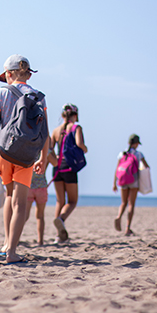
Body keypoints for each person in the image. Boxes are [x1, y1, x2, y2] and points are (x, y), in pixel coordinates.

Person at [0, 54, 49, 264]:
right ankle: (12, 250)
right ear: (28, 75)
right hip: (27, 154)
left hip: (4, 151)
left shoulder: (0, 92)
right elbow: (44, 131)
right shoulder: (39, 96)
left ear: (9, 74)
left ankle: (5, 245)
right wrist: (43, 156)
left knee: (8, 196)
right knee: (20, 203)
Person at [50, 104, 88, 243]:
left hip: (57, 167)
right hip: (69, 167)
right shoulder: (76, 127)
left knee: (60, 201)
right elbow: (79, 143)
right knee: (72, 201)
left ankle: (58, 236)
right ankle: (61, 219)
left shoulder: (55, 130)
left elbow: (49, 149)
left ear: (62, 115)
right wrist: (85, 149)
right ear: (75, 115)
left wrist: (55, 161)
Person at [113, 134, 149, 236]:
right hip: (134, 180)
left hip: (123, 179)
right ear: (136, 143)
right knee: (131, 204)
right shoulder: (138, 154)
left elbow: (117, 169)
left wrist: (114, 183)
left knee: (123, 202)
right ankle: (128, 228)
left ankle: (119, 216)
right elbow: (146, 166)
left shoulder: (121, 154)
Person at [25, 148, 58, 245]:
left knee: (24, 215)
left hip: (28, 185)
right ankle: (40, 240)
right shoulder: (46, 150)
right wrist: (51, 151)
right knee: (40, 216)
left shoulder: (30, 148)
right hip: (41, 186)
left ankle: (16, 238)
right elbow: (55, 163)